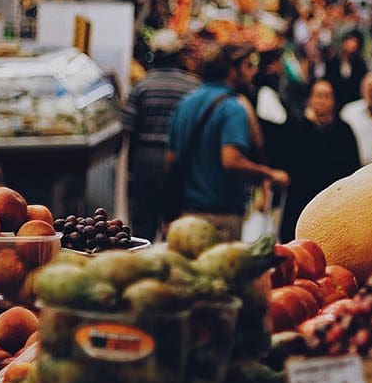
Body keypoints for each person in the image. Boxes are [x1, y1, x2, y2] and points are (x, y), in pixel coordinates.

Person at [166, 44, 290, 242]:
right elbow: (232, 161)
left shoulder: (186, 103)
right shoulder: (233, 108)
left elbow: (170, 158)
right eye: (248, 66)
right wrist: (270, 174)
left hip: (187, 216)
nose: (253, 72)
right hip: (220, 219)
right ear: (233, 70)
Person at [121, 29, 200, 242]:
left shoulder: (142, 86)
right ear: (178, 56)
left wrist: (129, 170)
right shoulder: (193, 87)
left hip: (146, 161)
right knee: (177, 227)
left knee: (142, 227)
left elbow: (127, 128)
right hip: (181, 162)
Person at [277, 79, 360, 241]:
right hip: (299, 202)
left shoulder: (344, 131)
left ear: (334, 101)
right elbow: (284, 160)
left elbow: (352, 168)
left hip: (332, 205)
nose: (322, 101)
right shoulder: (296, 126)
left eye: (327, 96)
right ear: (310, 99)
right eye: (318, 96)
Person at [326, 30, 368, 108]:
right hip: (336, 100)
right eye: (350, 41)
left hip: (354, 102)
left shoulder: (361, 64)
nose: (352, 45)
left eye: (355, 42)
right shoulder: (333, 62)